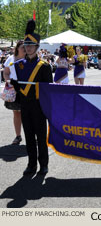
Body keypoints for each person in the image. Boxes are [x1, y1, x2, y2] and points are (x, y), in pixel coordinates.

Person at [11, 19, 53, 175]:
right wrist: (13, 85)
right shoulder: (18, 65)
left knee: (41, 137)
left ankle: (43, 164)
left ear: (37, 47)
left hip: (39, 106)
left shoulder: (44, 66)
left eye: (31, 46)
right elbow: (14, 84)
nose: (28, 48)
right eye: (26, 45)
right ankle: (31, 165)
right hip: (25, 105)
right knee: (28, 136)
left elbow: (49, 89)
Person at [3, 40, 25, 145]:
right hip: (14, 90)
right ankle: (18, 136)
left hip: (27, 90)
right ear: (17, 48)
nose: (25, 49)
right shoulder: (10, 59)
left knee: (29, 114)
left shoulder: (29, 60)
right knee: (16, 113)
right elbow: (6, 74)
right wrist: (9, 82)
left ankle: (32, 136)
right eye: (22, 47)